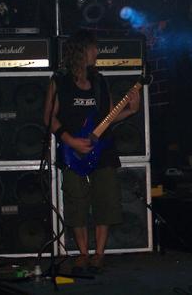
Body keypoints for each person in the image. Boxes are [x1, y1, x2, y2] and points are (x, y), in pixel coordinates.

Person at [43, 29, 140, 273]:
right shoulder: (60, 81)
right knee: (76, 202)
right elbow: (48, 117)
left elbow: (109, 117)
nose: (97, 52)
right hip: (72, 151)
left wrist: (131, 109)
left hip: (102, 149)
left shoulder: (99, 81)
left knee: (105, 200)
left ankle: (99, 254)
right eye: (94, 48)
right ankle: (83, 253)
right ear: (81, 50)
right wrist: (71, 141)